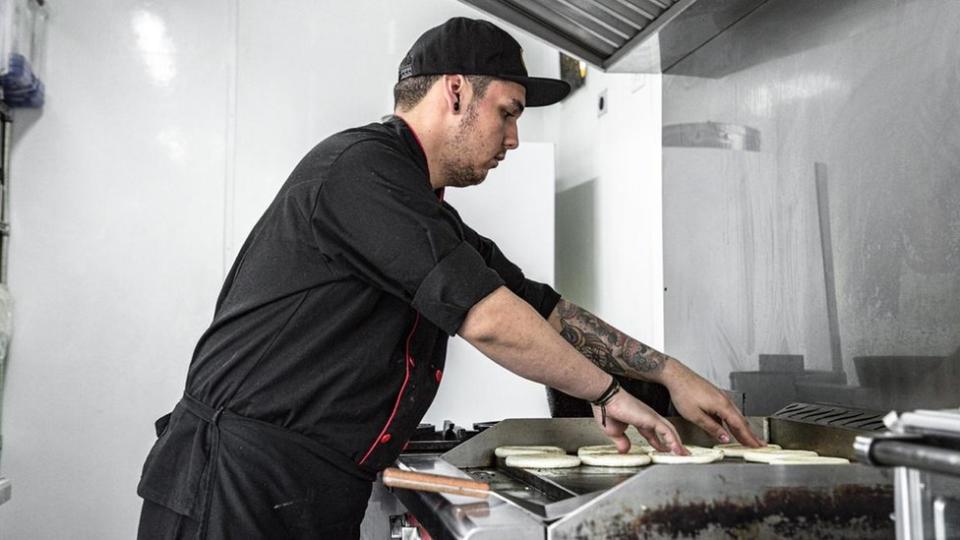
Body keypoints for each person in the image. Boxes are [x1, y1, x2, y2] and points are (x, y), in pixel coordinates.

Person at [136, 17, 760, 540]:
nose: (514, 139)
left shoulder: (422, 206)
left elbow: (536, 308)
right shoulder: (362, 172)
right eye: (508, 114)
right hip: (235, 484)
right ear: (457, 91)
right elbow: (488, 320)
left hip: (304, 486)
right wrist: (605, 394)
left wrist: (669, 374)